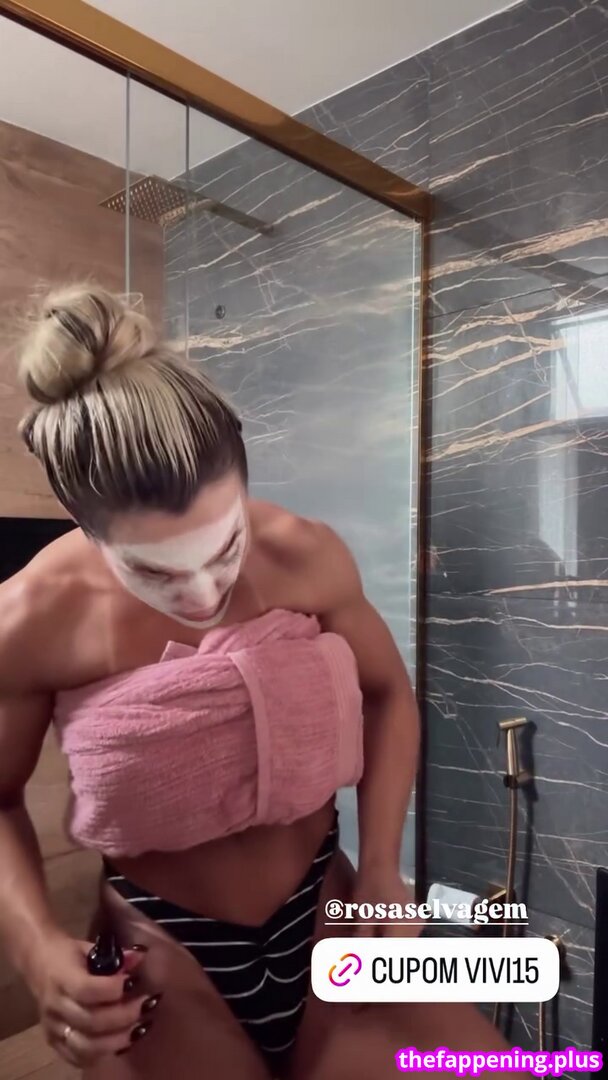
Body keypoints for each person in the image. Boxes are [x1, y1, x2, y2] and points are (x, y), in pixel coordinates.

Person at [0, 286, 528, 1079]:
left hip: (327, 913)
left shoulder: (304, 552)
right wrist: (38, 949)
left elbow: (388, 695)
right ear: (83, 523)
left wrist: (381, 865)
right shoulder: (30, 619)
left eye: (225, 547)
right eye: (154, 572)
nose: (203, 595)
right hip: (163, 951)